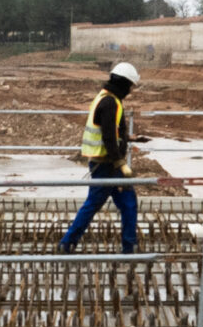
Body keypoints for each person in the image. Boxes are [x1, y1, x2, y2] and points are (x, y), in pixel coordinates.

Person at [59, 61, 148, 253]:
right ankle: (67, 243)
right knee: (95, 205)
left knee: (128, 203)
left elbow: (111, 132)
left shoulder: (106, 97)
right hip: (107, 165)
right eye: (130, 86)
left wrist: (130, 137)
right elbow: (108, 137)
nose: (131, 90)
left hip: (107, 164)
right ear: (124, 83)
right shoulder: (110, 103)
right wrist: (121, 163)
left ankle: (129, 247)